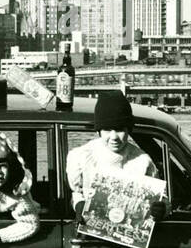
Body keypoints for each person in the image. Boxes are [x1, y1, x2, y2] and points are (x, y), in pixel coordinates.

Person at [66, 90, 166, 220]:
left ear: (128, 130)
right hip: (91, 232)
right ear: (98, 131)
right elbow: (75, 192)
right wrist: (79, 205)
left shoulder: (142, 161)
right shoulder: (81, 157)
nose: (113, 137)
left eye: (119, 130)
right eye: (107, 130)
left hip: (129, 234)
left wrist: (161, 208)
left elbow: (159, 196)